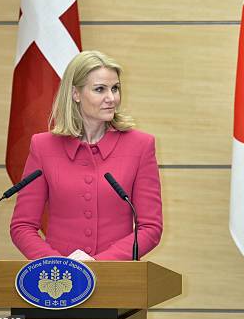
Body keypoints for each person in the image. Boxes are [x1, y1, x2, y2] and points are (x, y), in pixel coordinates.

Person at [10, 50, 162, 261]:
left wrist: (100, 264)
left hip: (116, 278)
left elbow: (150, 228)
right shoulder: (43, 146)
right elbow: (22, 226)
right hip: (59, 281)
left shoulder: (141, 146)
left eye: (115, 88)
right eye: (100, 89)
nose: (112, 98)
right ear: (76, 94)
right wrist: (60, 265)